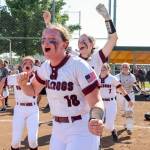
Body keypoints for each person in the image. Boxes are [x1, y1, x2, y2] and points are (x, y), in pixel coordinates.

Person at [17, 6, 105, 150]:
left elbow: (96, 101)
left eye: (52, 39)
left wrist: (95, 118)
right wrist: (23, 84)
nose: (46, 42)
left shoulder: (79, 66)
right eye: (43, 39)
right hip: (57, 129)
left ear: (65, 44)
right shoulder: (45, 67)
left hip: (81, 128)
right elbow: (33, 90)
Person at [43, 4, 118, 77]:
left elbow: (113, 38)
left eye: (84, 41)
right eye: (79, 41)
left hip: (92, 89)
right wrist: (47, 23)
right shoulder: (73, 55)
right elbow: (54, 39)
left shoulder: (98, 57)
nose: (80, 43)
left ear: (91, 44)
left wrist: (107, 18)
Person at [0, 56, 39, 150]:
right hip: (19, 109)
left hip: (33, 110)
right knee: (15, 142)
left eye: (30, 62)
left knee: (33, 141)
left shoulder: (38, 78)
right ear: (21, 65)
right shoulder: (16, 77)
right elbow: (3, 81)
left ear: (33, 65)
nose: (27, 64)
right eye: (25, 62)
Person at [99, 63, 133, 142]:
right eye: (102, 67)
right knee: (98, 121)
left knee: (109, 124)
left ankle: (113, 130)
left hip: (111, 102)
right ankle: (98, 139)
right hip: (100, 102)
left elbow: (122, 90)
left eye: (105, 67)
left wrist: (129, 100)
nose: (103, 69)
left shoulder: (113, 79)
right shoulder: (97, 78)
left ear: (109, 70)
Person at [115, 63, 140, 135]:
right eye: (123, 66)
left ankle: (129, 127)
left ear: (129, 68)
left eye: (126, 67)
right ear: (121, 68)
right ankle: (126, 121)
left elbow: (135, 85)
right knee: (123, 111)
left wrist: (136, 86)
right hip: (120, 95)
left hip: (130, 94)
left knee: (129, 111)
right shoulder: (117, 76)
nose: (125, 68)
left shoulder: (132, 76)